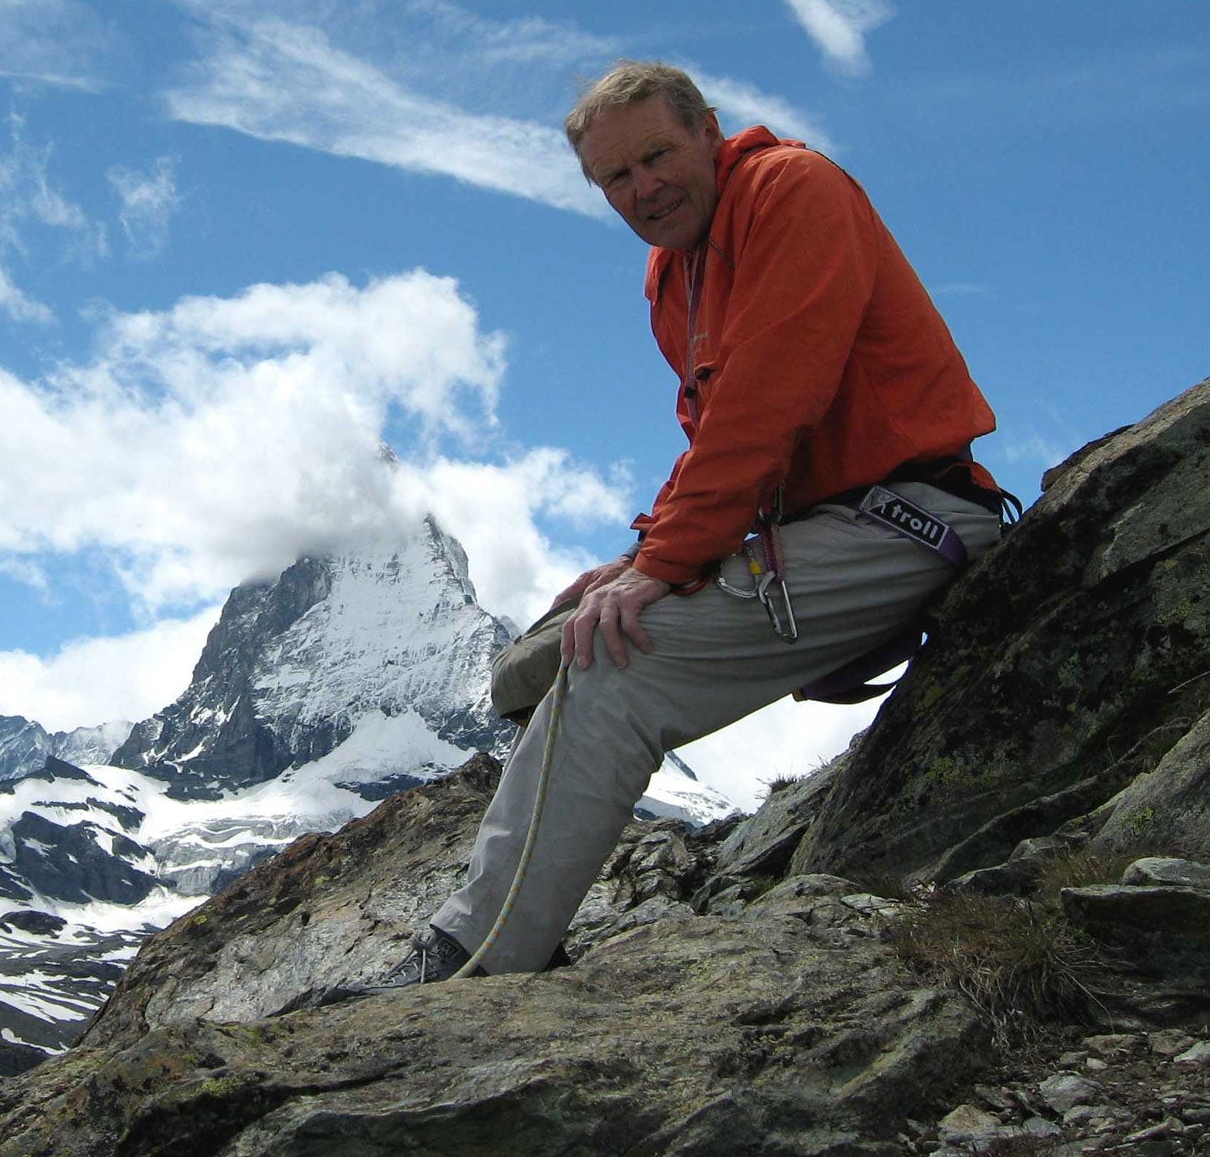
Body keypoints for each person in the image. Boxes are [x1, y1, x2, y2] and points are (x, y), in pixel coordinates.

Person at [340, 60, 1004, 994]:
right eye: (616, 177)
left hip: (909, 516)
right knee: (535, 663)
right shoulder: (675, 273)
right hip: (815, 527)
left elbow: (771, 402)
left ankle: (471, 961)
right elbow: (716, 436)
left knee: (615, 662)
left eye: (656, 154)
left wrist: (664, 565)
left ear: (709, 132)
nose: (643, 188)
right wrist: (637, 554)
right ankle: (527, 916)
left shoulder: (792, 191)